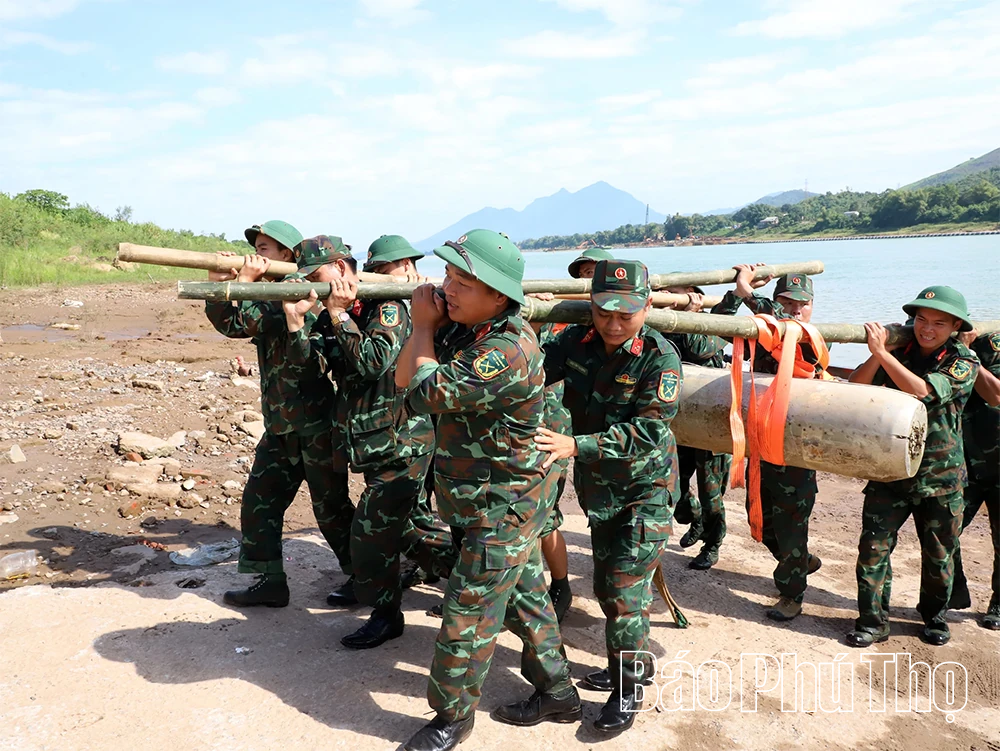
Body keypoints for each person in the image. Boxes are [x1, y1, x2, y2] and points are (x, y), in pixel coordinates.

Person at [396, 230, 578, 751]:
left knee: (468, 610)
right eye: (448, 275)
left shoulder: (505, 350)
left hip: (503, 503)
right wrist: (426, 329)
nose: (448, 288)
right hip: (483, 497)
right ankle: (558, 693)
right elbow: (403, 384)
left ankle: (451, 718)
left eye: (463, 281)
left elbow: (426, 392)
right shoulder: (464, 330)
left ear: (499, 297)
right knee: (523, 596)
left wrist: (423, 325)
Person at [282, 235, 457, 648]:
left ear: (341, 268)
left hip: (402, 442)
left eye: (315, 274)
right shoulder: (336, 312)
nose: (311, 282)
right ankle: (484, 579)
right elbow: (311, 370)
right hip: (370, 442)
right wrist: (296, 324)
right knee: (413, 531)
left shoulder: (390, 307)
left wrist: (340, 316)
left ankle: (390, 612)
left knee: (373, 534)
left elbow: (372, 361)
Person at [538, 259, 681, 733]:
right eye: (603, 313)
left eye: (627, 314)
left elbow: (648, 432)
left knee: (622, 593)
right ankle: (633, 662)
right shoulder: (573, 343)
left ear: (647, 307)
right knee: (606, 589)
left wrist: (575, 444)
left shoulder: (660, 360)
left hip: (645, 492)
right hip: (600, 492)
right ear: (591, 306)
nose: (614, 324)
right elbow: (531, 368)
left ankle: (628, 689)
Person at [204, 221, 354, 607]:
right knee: (260, 502)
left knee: (332, 511)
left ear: (287, 256)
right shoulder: (270, 295)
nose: (256, 254)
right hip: (281, 426)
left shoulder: (295, 294)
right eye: (255, 248)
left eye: (265, 248)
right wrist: (219, 283)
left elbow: (254, 320)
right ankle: (270, 580)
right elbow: (232, 324)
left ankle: (365, 578)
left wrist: (249, 284)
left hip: (316, 426)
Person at [845, 286, 979, 647]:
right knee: (873, 550)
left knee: (938, 556)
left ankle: (935, 617)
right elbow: (854, 387)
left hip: (940, 477)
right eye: (921, 320)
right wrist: (881, 352)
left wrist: (881, 354)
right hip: (890, 470)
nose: (927, 329)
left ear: (954, 326)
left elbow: (923, 391)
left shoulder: (963, 360)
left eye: (938, 323)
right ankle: (872, 622)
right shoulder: (898, 350)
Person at [712, 265, 824, 620]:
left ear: (812, 307)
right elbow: (717, 325)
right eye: (786, 302)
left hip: (794, 449)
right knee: (759, 520)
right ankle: (801, 561)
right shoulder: (765, 331)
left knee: (791, 525)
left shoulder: (813, 335)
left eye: (801, 304)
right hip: (762, 444)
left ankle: (792, 593)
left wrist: (746, 286)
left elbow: (778, 321)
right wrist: (736, 294)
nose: (793, 310)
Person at [362, 235, 457, 592]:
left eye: (384, 270)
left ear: (405, 267)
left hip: (427, 429)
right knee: (417, 511)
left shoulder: (431, 306)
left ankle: (459, 578)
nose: (380, 278)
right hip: (413, 426)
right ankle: (436, 570)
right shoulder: (409, 309)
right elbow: (402, 376)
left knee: (422, 516)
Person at [664, 283, 731, 571]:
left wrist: (691, 314)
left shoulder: (712, 325)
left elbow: (699, 348)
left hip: (710, 422)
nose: (671, 297)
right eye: (666, 292)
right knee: (674, 487)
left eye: (676, 291)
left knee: (710, 493)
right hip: (679, 422)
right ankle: (695, 518)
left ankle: (712, 542)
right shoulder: (664, 326)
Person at [950, 328, 1000, 630]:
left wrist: (966, 354)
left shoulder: (985, 346)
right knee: (944, 531)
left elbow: (994, 393)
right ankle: (952, 592)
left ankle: (999, 603)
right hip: (966, 465)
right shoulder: (957, 345)